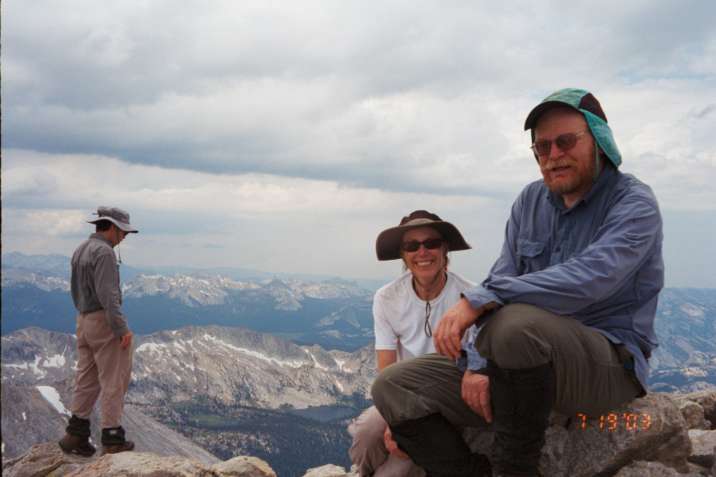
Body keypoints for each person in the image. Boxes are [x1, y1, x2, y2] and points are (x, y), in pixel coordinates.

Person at [371, 88, 664, 477]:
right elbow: (503, 278)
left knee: (514, 324)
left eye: (565, 141)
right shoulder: (531, 201)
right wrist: (477, 362)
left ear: (600, 142)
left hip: (605, 365)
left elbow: (592, 277)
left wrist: (480, 301)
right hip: (521, 365)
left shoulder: (634, 204)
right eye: (542, 147)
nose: (553, 155)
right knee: (393, 386)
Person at [348, 210, 478, 477]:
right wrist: (394, 419)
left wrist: (402, 428)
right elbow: (386, 367)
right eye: (411, 246)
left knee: (398, 470)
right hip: (401, 394)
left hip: (447, 398)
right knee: (366, 433)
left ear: (445, 250)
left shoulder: (470, 297)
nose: (422, 252)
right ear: (404, 257)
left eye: (430, 243)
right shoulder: (387, 298)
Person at [59, 206, 139, 456]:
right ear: (112, 227)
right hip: (104, 322)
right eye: (123, 231)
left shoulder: (81, 248)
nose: (124, 236)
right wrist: (121, 328)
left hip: (83, 320)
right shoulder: (104, 253)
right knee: (114, 379)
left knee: (86, 378)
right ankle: (112, 438)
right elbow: (108, 295)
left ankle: (76, 434)